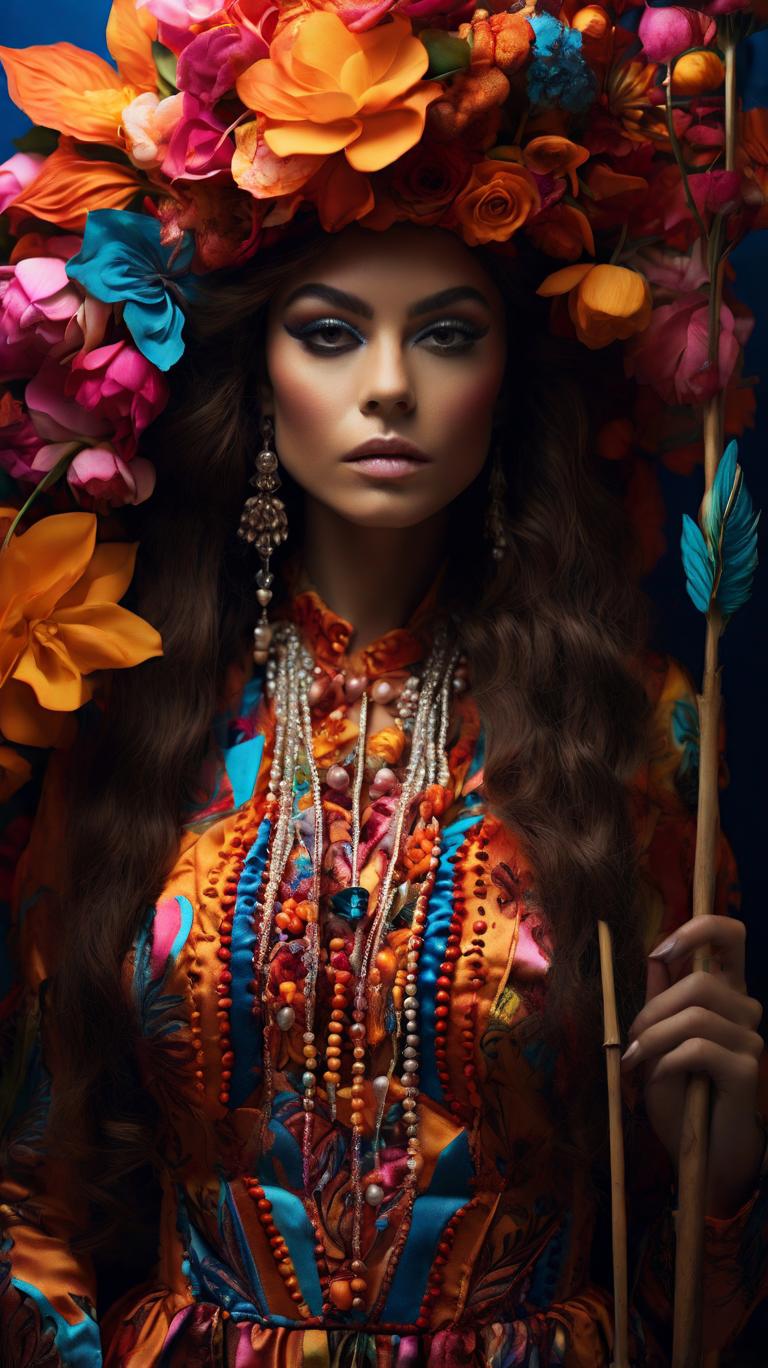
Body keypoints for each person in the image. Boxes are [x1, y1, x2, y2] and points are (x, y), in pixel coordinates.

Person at [1, 215, 767, 1368]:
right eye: (330, 335)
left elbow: (688, 1279)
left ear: (508, 384)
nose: (392, 386)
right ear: (261, 377)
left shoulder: (635, 734)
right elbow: (27, 1187)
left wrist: (729, 1172)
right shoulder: (135, 716)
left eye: (449, 335)